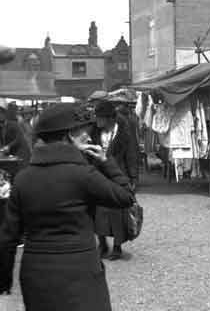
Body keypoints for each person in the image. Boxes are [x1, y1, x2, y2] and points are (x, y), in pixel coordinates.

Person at [0, 102, 134, 310]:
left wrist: (5, 279)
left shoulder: (23, 179)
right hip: (80, 272)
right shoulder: (84, 175)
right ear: (70, 134)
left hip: (36, 274)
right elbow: (125, 196)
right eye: (84, 132)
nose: (89, 137)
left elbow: (8, 238)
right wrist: (106, 161)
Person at [94, 101, 139, 260]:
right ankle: (102, 243)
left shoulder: (124, 131)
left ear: (109, 118)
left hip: (118, 174)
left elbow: (132, 153)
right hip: (99, 175)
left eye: (100, 118)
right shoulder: (94, 132)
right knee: (98, 211)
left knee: (118, 212)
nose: (97, 121)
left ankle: (118, 247)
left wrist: (133, 177)